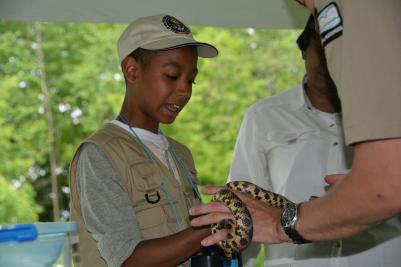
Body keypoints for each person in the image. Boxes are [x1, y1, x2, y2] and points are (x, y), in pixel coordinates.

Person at [189, 0, 401, 253]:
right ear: (303, 50)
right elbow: (244, 212)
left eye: (335, 47)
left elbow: (386, 188)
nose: (329, 60)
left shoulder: (386, 104)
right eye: (320, 49)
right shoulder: (263, 116)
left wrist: (284, 224)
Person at [69, 14, 218, 267]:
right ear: (132, 70)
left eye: (191, 80)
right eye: (172, 76)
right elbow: (129, 260)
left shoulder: (181, 154)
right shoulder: (99, 154)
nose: (185, 90)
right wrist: (213, 224)